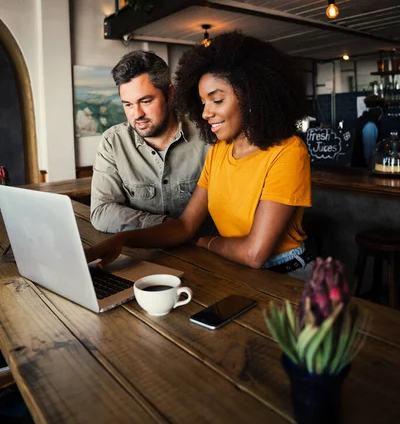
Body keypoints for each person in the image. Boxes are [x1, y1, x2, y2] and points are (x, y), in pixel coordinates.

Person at [87, 32, 313, 278]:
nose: (205, 113)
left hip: (287, 275)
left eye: (216, 100)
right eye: (203, 102)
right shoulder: (219, 150)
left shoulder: (289, 152)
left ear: (250, 96)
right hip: (235, 269)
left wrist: (206, 242)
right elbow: (185, 226)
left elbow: (254, 254)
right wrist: (123, 239)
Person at [90, 50, 210, 233]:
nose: (137, 114)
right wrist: (166, 226)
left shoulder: (206, 138)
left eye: (145, 101)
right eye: (127, 104)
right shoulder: (112, 142)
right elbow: (101, 211)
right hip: (144, 256)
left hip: (203, 255)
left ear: (170, 94)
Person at [351, 95, 384, 168]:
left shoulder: (360, 120)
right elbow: (369, 155)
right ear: (378, 109)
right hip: (363, 169)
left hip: (355, 168)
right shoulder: (370, 125)